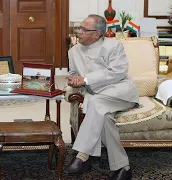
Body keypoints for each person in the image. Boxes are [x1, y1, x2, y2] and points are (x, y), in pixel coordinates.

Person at [64, 14, 139, 180]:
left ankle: (82, 156)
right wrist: (74, 79)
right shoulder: (74, 51)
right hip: (96, 96)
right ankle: (122, 167)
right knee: (103, 117)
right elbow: (73, 73)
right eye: (79, 28)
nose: (79, 32)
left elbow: (118, 72)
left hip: (119, 92)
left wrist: (86, 79)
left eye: (84, 29)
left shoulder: (113, 46)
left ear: (97, 33)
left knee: (96, 102)